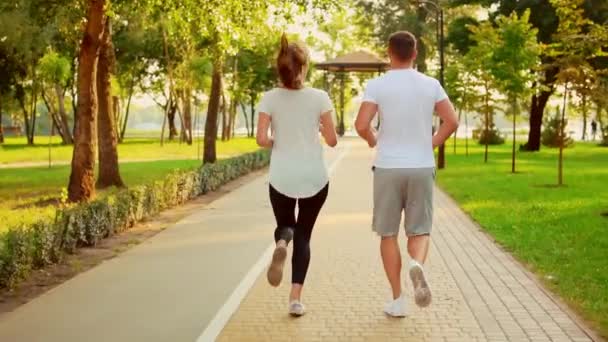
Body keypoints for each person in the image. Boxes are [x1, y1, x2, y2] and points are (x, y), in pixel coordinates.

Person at [355, 31, 459, 317]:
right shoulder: (431, 84)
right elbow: (451, 121)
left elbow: (362, 124)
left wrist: (373, 139)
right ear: (415, 54)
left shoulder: (377, 84)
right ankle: (417, 265)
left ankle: (398, 299)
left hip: (388, 167)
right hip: (421, 167)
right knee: (420, 230)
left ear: (389, 53)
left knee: (388, 234)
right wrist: (431, 144)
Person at [256, 34, 338, 317]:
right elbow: (332, 139)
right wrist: (313, 132)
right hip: (314, 177)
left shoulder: (269, 98)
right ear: (304, 68)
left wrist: (279, 139)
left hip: (282, 176)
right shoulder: (320, 97)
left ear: (280, 69)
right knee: (305, 236)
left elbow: (261, 139)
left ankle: (281, 242)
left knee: (286, 226)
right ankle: (295, 299)